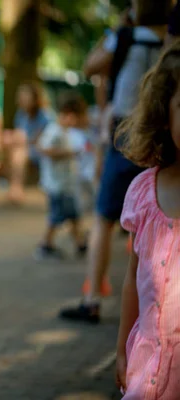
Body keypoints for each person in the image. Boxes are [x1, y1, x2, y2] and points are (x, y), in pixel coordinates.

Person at [60, 0, 172, 323]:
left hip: (126, 133)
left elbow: (90, 66)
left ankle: (92, 296)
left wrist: (115, 30)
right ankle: (159, 300)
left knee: (104, 217)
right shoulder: (173, 41)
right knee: (158, 215)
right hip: (164, 135)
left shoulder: (123, 37)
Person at [114, 40, 180, 398]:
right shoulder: (143, 191)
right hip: (148, 361)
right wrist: (122, 347)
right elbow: (131, 280)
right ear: (164, 116)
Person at [34, 92, 88, 260]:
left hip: (65, 183)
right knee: (57, 216)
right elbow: (45, 149)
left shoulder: (64, 132)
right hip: (57, 184)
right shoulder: (54, 131)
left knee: (72, 214)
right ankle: (45, 244)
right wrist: (69, 153)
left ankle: (80, 243)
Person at [4, 82, 52, 205]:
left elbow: (40, 139)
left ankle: (16, 188)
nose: (21, 99)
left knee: (19, 153)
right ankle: (15, 188)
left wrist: (18, 138)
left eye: (25, 96)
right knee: (13, 148)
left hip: (42, 151)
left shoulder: (44, 116)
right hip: (26, 148)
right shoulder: (21, 114)